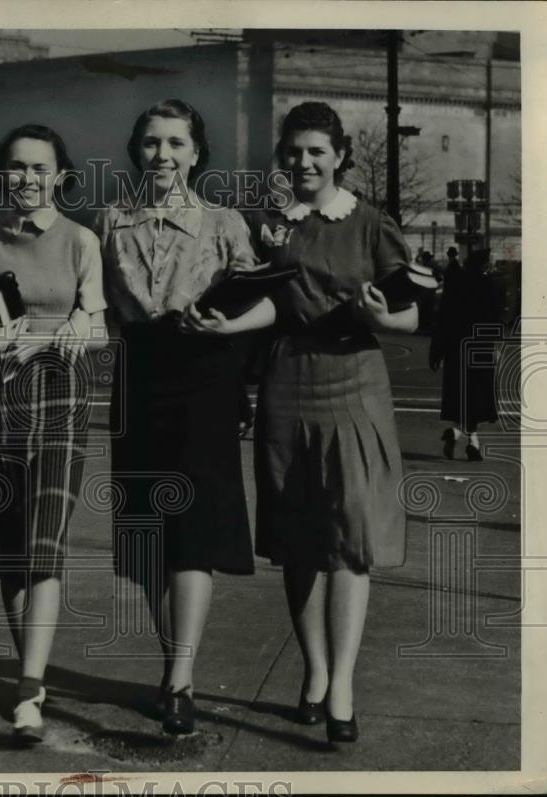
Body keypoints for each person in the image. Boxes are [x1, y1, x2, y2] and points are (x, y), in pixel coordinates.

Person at [96, 98, 272, 735]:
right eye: (151, 143)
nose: (162, 155)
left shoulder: (225, 223)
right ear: (136, 150)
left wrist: (229, 324)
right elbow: (103, 308)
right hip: (139, 375)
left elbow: (265, 303)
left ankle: (181, 678)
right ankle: (172, 663)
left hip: (204, 373)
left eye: (175, 143)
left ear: (196, 152)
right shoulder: (111, 220)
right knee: (148, 532)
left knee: (193, 528)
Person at [0, 124, 107, 742]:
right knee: (8, 542)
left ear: (61, 176)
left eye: (39, 168)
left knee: (45, 541)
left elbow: (98, 324)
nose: (26, 179)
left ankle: (29, 688)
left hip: (60, 398)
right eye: (14, 167)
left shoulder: (82, 240)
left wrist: (74, 332)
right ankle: (28, 670)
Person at [250, 101, 417, 745]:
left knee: (351, 536)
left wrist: (382, 317)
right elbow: (263, 303)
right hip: (288, 381)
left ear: (341, 156)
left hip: (355, 383)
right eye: (293, 151)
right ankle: (315, 673)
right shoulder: (268, 224)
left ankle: (343, 683)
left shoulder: (372, 223)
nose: (304, 162)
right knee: (298, 539)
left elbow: (408, 315)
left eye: (317, 150)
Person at [430, 247, 499, 461]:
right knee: (477, 397)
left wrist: (437, 350)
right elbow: (494, 318)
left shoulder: (456, 283)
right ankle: (464, 437)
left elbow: (444, 318)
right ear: (485, 264)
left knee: (462, 396)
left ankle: (470, 441)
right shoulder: (488, 285)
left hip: (456, 347)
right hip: (480, 348)